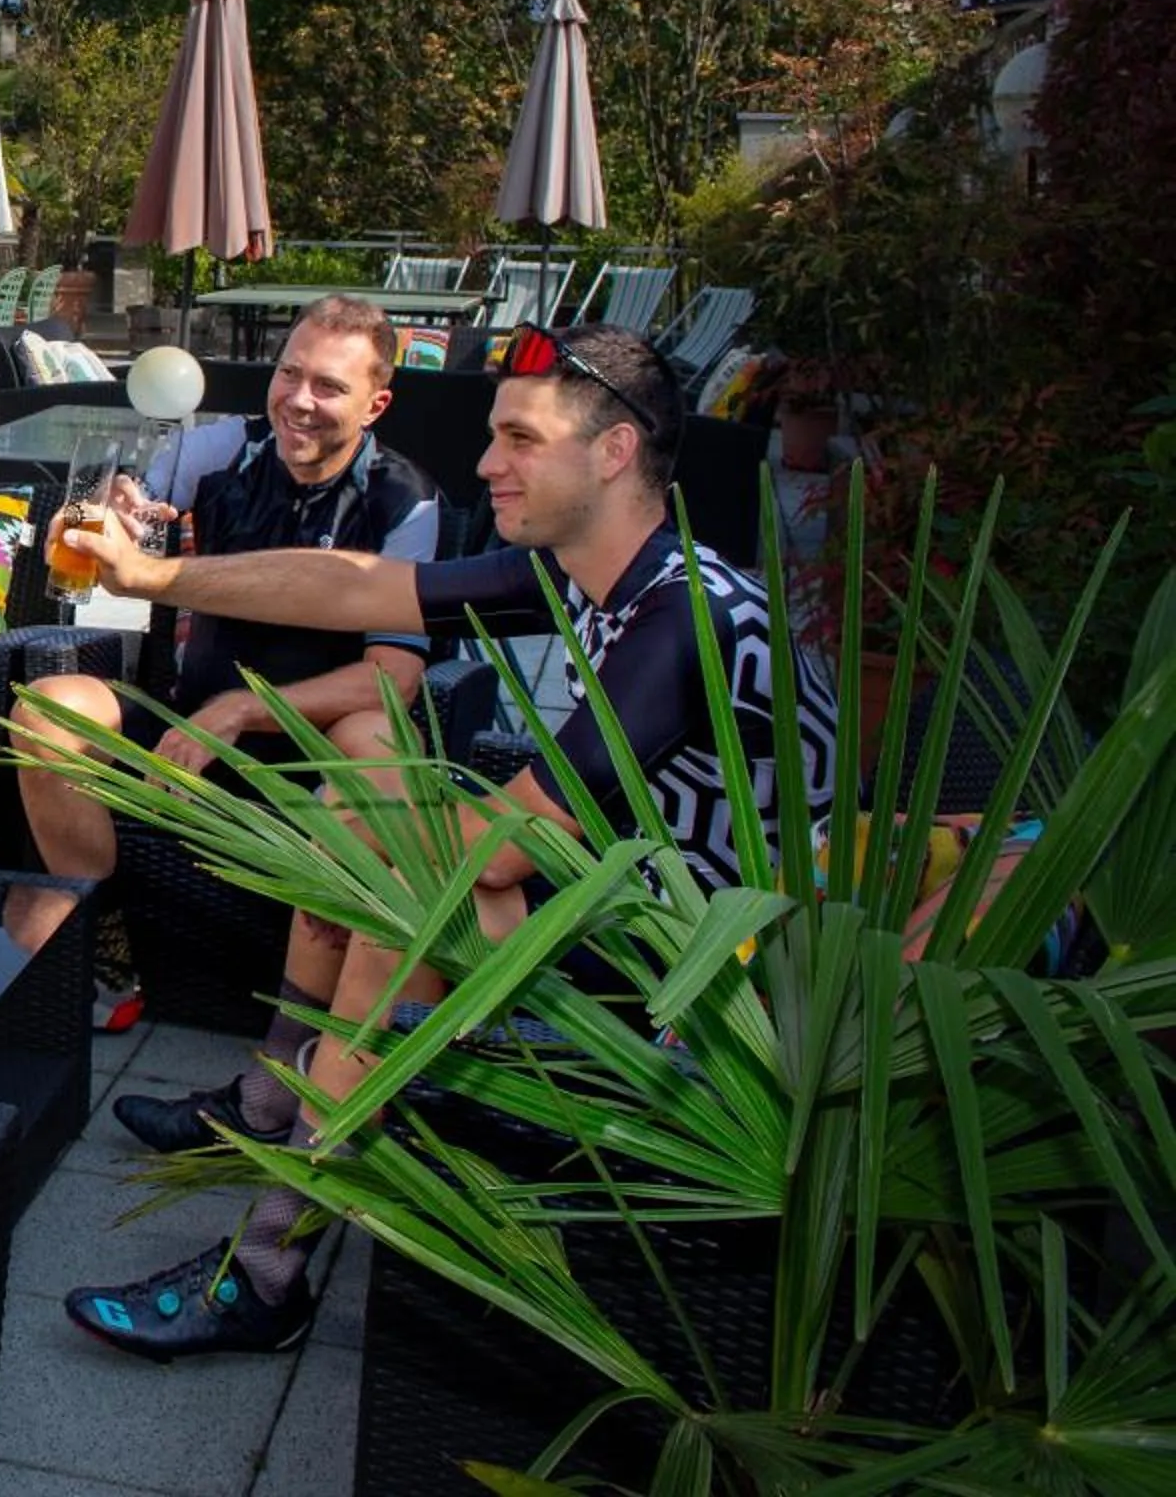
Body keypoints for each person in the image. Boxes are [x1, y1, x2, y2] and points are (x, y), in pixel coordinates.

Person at [60, 320, 839, 1362]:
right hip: (637, 915)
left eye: (521, 437)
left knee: (403, 894)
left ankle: (268, 1265)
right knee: (366, 817)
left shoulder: (681, 618)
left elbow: (500, 852)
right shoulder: (599, 573)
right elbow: (353, 584)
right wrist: (154, 580)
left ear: (612, 453)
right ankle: (271, 1096)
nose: (485, 463)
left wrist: (360, 842)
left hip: (720, 992)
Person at [8, 297, 442, 1031]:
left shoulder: (409, 502)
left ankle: (315, 1016)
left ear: (377, 404)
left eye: (329, 387)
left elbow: (393, 676)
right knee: (47, 709)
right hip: (189, 720)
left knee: (377, 735)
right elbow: (138, 509)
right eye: (289, 373)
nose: (299, 401)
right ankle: (108, 930)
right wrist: (107, 514)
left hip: (314, 746)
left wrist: (241, 710)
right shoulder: (222, 451)